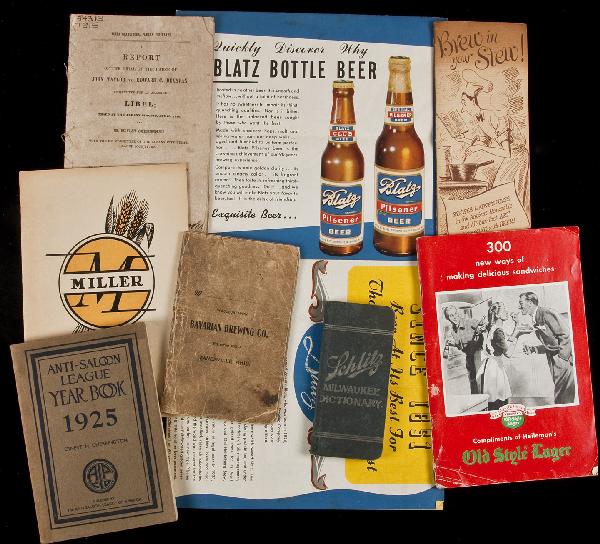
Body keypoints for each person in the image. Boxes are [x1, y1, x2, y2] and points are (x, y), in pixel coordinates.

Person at [459, 69, 530, 209]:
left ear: (473, 101)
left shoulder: (498, 117)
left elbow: (506, 152)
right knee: (489, 184)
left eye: (464, 102)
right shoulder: (480, 119)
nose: (463, 108)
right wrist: (468, 145)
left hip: (517, 157)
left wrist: (479, 148)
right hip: (507, 157)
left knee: (503, 192)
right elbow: (484, 141)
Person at [518, 292, 575, 405]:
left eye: (521, 303)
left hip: (562, 360)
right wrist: (534, 349)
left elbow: (565, 334)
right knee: (562, 395)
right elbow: (551, 343)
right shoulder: (535, 318)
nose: (519, 306)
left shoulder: (546, 313)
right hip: (554, 360)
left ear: (530, 303)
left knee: (562, 396)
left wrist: (562, 359)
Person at [476, 301, 516, 411]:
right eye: (504, 310)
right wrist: (517, 335)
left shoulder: (493, 328)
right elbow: (508, 353)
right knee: (498, 400)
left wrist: (516, 325)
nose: (507, 312)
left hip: (492, 366)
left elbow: (508, 339)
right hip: (495, 368)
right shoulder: (498, 331)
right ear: (497, 314)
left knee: (496, 399)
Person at [442, 304, 486, 394]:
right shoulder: (453, 331)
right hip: (469, 358)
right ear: (448, 318)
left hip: (478, 355)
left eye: (455, 314)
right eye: (451, 315)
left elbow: (483, 326)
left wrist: (482, 327)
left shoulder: (469, 322)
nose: (454, 317)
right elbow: (461, 346)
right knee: (472, 381)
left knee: (480, 381)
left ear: (458, 313)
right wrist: (454, 344)